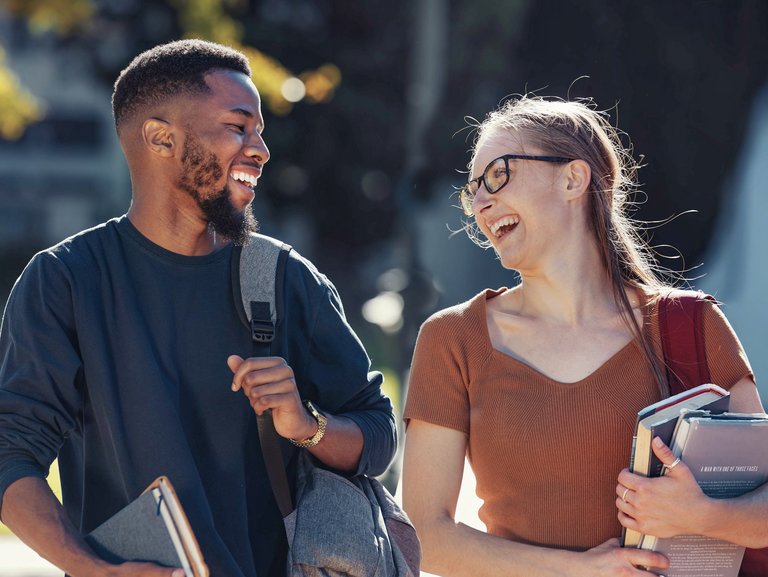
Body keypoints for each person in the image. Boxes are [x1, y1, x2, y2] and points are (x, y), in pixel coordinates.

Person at [0, 39, 396, 577]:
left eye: (260, 131)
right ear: (162, 138)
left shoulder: (282, 279)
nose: (260, 150)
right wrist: (94, 569)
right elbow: (10, 453)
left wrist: (307, 424)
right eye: (238, 127)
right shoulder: (66, 281)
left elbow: (377, 435)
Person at [401, 95, 766, 576]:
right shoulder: (453, 339)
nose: (481, 203)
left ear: (573, 179)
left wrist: (704, 515)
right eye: (473, 190)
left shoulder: (691, 325)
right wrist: (578, 570)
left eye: (498, 175)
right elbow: (425, 535)